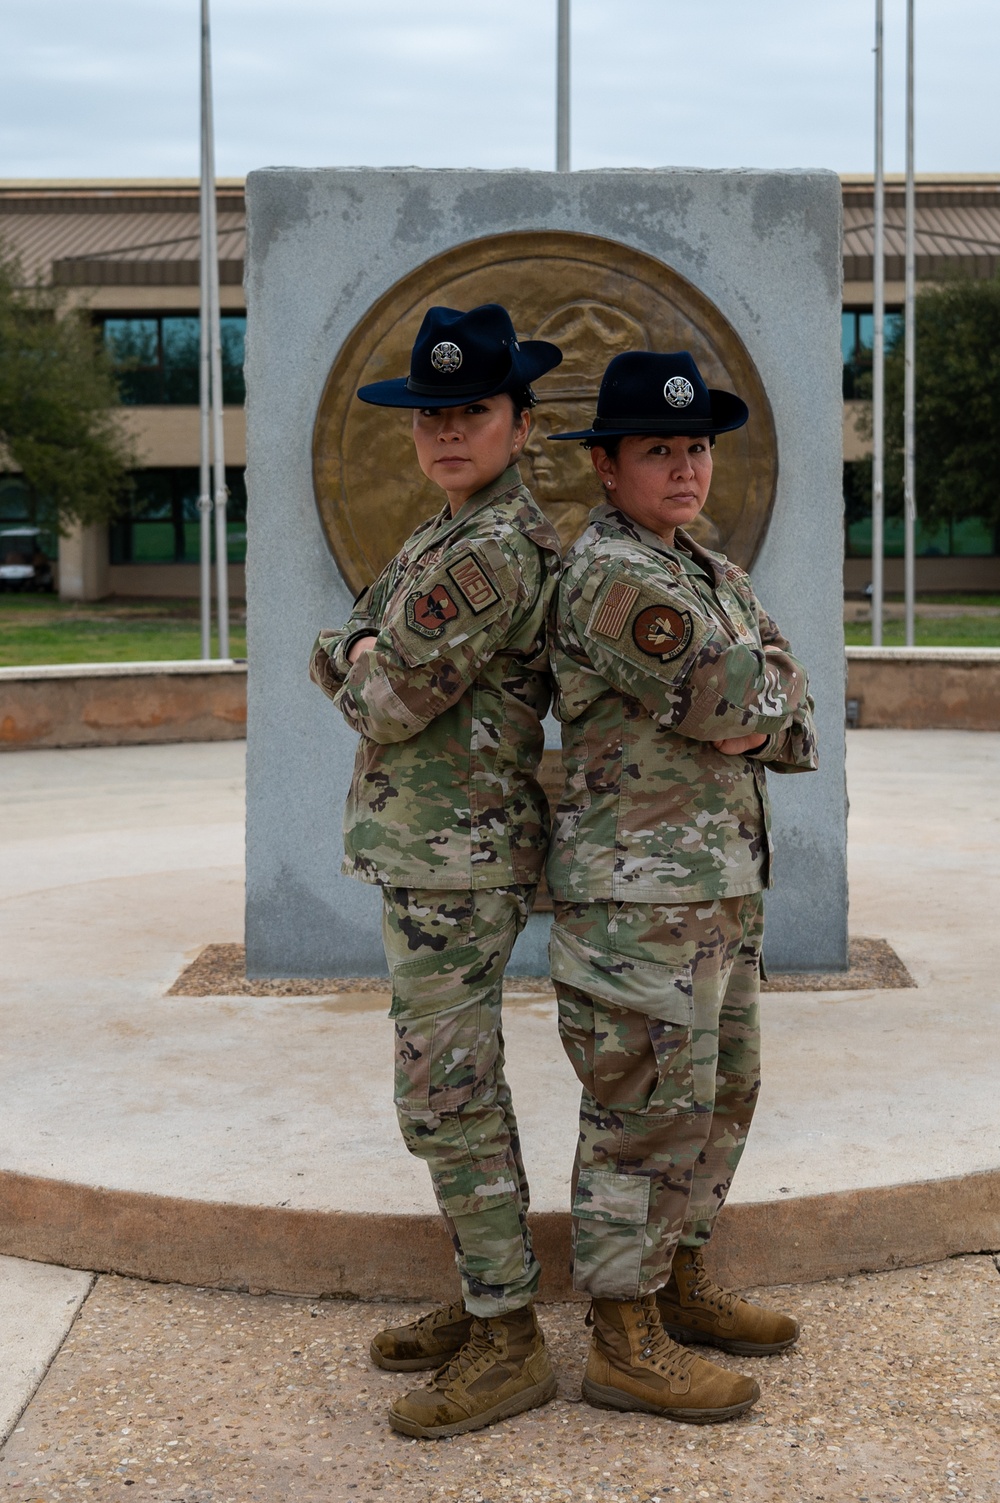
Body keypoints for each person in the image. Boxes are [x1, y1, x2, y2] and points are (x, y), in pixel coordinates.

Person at [544, 350, 818, 1423]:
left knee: (720, 1096)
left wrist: (762, 691)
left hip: (718, 889)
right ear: (606, 467)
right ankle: (621, 1338)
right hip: (636, 905)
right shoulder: (609, 574)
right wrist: (754, 690)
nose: (686, 466)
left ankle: (680, 1283)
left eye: (697, 446)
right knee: (640, 1115)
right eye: (659, 448)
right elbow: (725, 692)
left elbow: (791, 712)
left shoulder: (710, 572)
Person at [309, 304, 564, 1439]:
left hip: (457, 860)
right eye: (432, 415)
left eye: (472, 412)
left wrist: (360, 653)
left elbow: (385, 688)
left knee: (444, 1096)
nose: (447, 432)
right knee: (454, 1093)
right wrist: (359, 649)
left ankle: (509, 1338)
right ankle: (486, 1295)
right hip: (430, 852)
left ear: (520, 421)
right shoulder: (443, 534)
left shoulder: (495, 550)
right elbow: (352, 646)